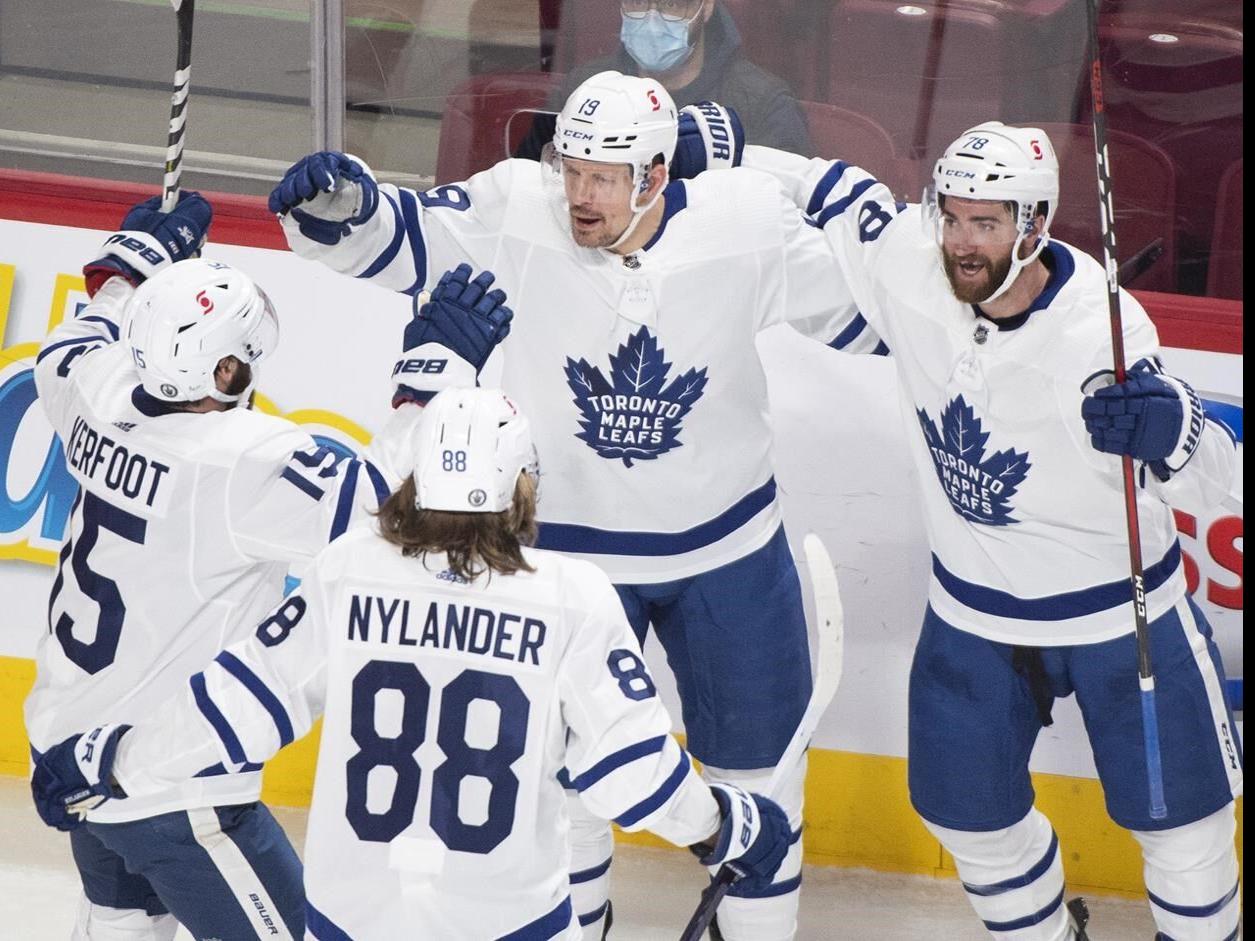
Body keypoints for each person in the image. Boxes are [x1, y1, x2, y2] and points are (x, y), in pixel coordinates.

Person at [266, 71, 875, 941]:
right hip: (565, 562)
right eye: (569, 166)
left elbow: (885, 306)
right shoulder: (520, 205)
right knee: (563, 787)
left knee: (761, 780)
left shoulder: (743, 222)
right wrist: (344, 207)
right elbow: (405, 240)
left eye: (602, 176)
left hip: (728, 556)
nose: (577, 194)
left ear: (657, 176)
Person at [680, 116, 1243, 939]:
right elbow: (830, 188)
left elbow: (1214, 469)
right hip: (974, 615)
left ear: (1035, 224)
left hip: (1119, 615)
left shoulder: (1099, 328)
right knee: (965, 819)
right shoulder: (910, 262)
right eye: (951, 216)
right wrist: (725, 151)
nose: (961, 241)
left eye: (985, 222)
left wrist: (1175, 427)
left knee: (1184, 834)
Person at [29, 385, 794, 941]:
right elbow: (631, 777)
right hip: (507, 922)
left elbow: (235, 710)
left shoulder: (348, 569)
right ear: (521, 485)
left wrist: (113, 758)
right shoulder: (571, 596)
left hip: (351, 921)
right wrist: (725, 824)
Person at [23, 192, 419, 940]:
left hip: (67, 742)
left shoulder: (96, 393)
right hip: (167, 781)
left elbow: (71, 345)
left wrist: (135, 262)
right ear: (229, 369)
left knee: (120, 925)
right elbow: (395, 520)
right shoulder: (245, 462)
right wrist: (423, 390)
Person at [515, 0, 811, 161]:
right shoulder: (586, 87)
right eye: (637, 2)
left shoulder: (760, 103)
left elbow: (781, 215)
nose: (651, 17)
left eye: (671, 5)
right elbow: (527, 180)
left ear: (705, 7)